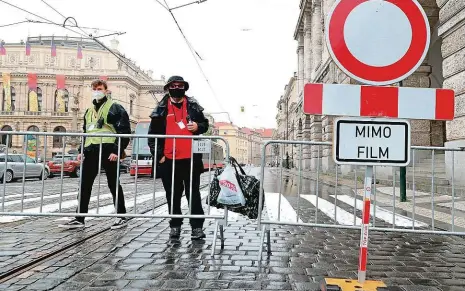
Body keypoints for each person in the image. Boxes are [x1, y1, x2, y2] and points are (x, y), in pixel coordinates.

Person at [59, 79, 131, 229]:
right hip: (91, 150)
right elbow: (86, 132)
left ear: (106, 90)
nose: (96, 91)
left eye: (99, 88)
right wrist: (81, 151)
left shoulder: (115, 107)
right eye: (94, 89)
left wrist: (117, 151)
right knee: (85, 184)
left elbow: (124, 131)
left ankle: (121, 216)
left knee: (113, 184)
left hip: (108, 150)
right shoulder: (89, 111)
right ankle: (80, 218)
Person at [148, 76, 209, 240]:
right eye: (174, 85)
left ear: (184, 88)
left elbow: (205, 124)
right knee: (172, 195)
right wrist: (158, 155)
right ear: (168, 88)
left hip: (190, 159)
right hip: (168, 159)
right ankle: (175, 225)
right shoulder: (161, 108)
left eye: (180, 85)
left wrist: (198, 126)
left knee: (193, 194)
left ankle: (197, 227)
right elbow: (152, 135)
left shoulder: (193, 106)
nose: (177, 88)